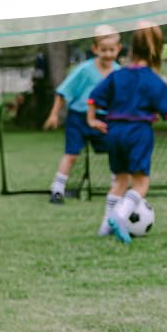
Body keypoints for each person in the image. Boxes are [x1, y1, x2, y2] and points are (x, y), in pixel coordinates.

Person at [87, 22, 167, 243]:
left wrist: (92, 120)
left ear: (131, 48)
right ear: (157, 49)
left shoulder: (117, 75)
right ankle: (121, 215)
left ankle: (105, 226)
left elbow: (93, 97)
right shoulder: (152, 80)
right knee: (141, 184)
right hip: (138, 132)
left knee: (119, 180)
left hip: (114, 132)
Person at [42, 26, 122, 202]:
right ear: (95, 49)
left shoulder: (119, 73)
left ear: (118, 49)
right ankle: (57, 190)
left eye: (112, 50)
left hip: (104, 119)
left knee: (115, 151)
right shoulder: (84, 69)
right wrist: (54, 115)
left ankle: (116, 191)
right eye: (103, 50)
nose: (108, 54)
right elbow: (62, 92)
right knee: (71, 154)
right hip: (78, 118)